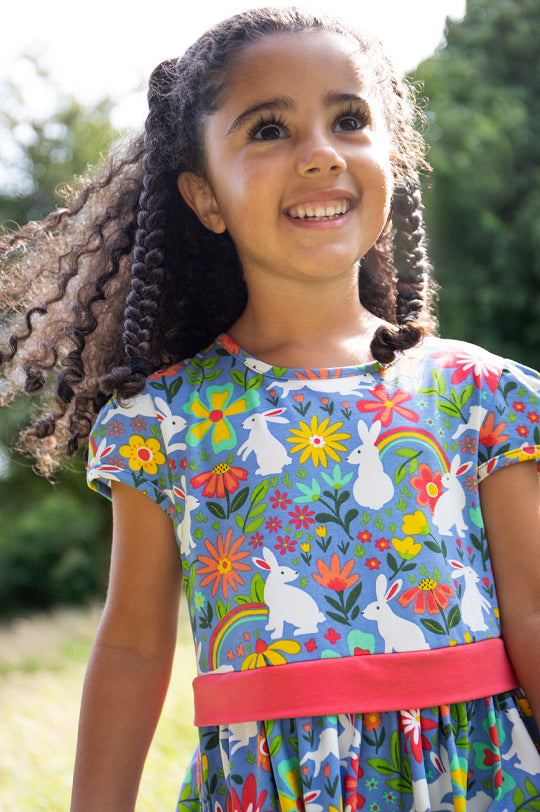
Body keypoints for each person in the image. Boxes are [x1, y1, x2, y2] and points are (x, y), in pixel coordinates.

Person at [1, 7, 539, 810]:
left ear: (391, 157)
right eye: (268, 130)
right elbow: (133, 648)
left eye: (349, 119)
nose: (321, 154)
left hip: (482, 780)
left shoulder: (479, 394)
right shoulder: (165, 421)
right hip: (273, 789)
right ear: (204, 197)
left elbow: (531, 612)